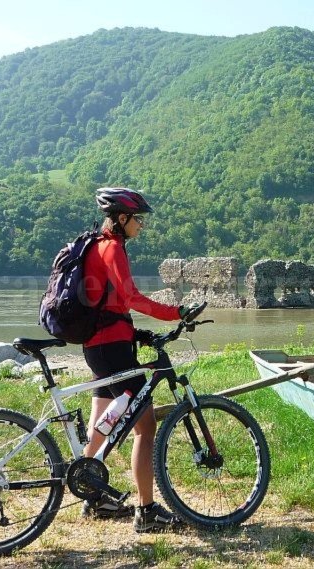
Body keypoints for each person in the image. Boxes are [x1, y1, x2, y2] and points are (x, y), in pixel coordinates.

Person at [80, 187, 193, 533]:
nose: (141, 225)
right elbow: (130, 297)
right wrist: (176, 312)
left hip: (99, 346)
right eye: (138, 219)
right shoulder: (112, 248)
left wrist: (137, 333)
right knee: (145, 426)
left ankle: (92, 494)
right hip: (112, 349)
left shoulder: (95, 246)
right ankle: (146, 511)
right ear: (122, 218)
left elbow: (109, 303)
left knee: (102, 419)